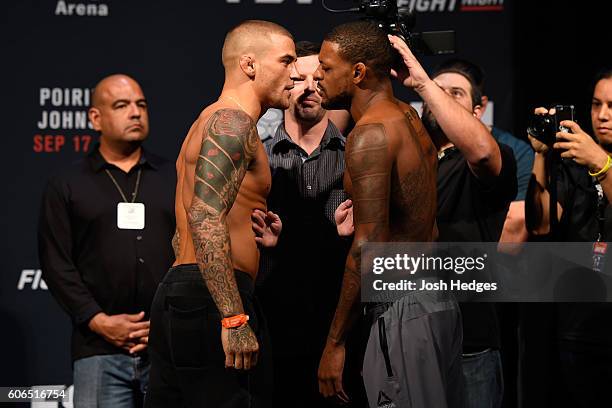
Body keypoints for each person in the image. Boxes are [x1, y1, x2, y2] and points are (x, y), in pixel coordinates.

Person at [144, 20, 296, 408]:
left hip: (183, 292)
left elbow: (182, 235)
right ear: (250, 65)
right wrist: (232, 317)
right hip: (213, 299)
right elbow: (205, 218)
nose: (295, 74)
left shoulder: (205, 120)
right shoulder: (233, 122)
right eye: (286, 61)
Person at [314, 21, 463, 408]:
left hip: (401, 307)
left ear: (359, 72)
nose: (316, 75)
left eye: (326, 67)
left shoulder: (371, 135)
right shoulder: (407, 118)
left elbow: (369, 248)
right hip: (435, 299)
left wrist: (335, 341)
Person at [389, 36, 518, 408]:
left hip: (470, 341)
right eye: (438, 92)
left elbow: (479, 152)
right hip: (408, 331)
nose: (441, 98)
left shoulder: (493, 156)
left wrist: (425, 83)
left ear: (479, 110)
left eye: (455, 94)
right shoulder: (408, 160)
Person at [38, 74, 176, 407]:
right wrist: (99, 321)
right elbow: (56, 264)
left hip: (167, 347)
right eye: (122, 105)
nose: (135, 112)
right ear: (95, 118)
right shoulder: (68, 184)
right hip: (98, 350)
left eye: (141, 104)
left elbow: (191, 254)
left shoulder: (174, 177)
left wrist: (164, 322)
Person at [256, 40, 364, 407]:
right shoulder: (259, 159)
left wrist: (346, 239)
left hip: (339, 333)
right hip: (272, 332)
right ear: (284, 86)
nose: (307, 89)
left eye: (317, 78)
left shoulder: (356, 157)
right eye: (297, 79)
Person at [526, 68, 612, 408]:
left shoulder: (591, 160)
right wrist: (541, 154)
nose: (602, 115)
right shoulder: (575, 164)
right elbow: (541, 225)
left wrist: (601, 163)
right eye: (595, 105)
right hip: (579, 326)